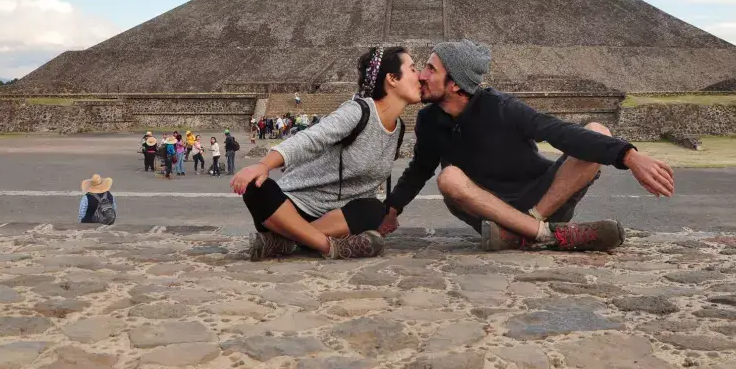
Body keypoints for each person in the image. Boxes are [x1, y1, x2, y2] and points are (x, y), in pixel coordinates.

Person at [380, 40, 675, 252]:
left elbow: (558, 131)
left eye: (431, 69)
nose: (420, 75)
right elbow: (420, 168)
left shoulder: (502, 107)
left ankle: (528, 230)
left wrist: (628, 155)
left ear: (455, 83)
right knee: (449, 178)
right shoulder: (429, 120)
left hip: (543, 199)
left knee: (599, 131)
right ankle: (548, 235)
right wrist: (392, 210)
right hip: (490, 211)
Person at [230, 46, 420, 261]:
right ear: (392, 79)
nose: (420, 76)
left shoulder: (398, 128)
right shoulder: (358, 111)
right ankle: (330, 247)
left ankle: (286, 242)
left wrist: (389, 215)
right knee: (257, 187)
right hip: (292, 208)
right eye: (413, 69)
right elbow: (311, 138)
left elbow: (368, 186)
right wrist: (264, 165)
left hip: (337, 217)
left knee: (375, 208)